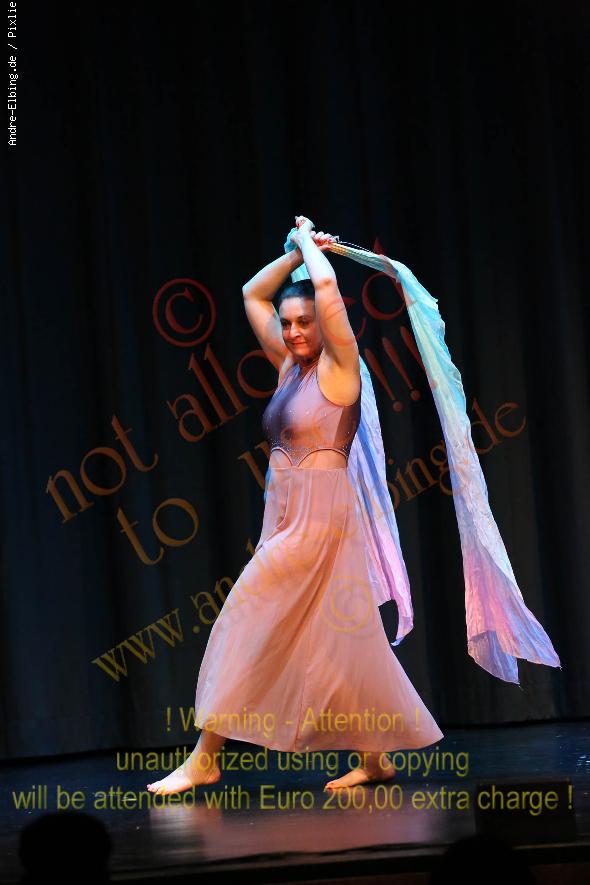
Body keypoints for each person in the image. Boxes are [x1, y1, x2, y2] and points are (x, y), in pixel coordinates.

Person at [147, 216, 443, 795]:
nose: (294, 332)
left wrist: (309, 243)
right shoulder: (290, 365)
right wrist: (291, 253)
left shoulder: (340, 367)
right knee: (341, 640)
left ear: (327, 324)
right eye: (287, 324)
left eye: (305, 322)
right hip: (284, 518)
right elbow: (250, 294)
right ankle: (376, 759)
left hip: (320, 522)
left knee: (242, 620)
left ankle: (205, 758)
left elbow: (327, 286)